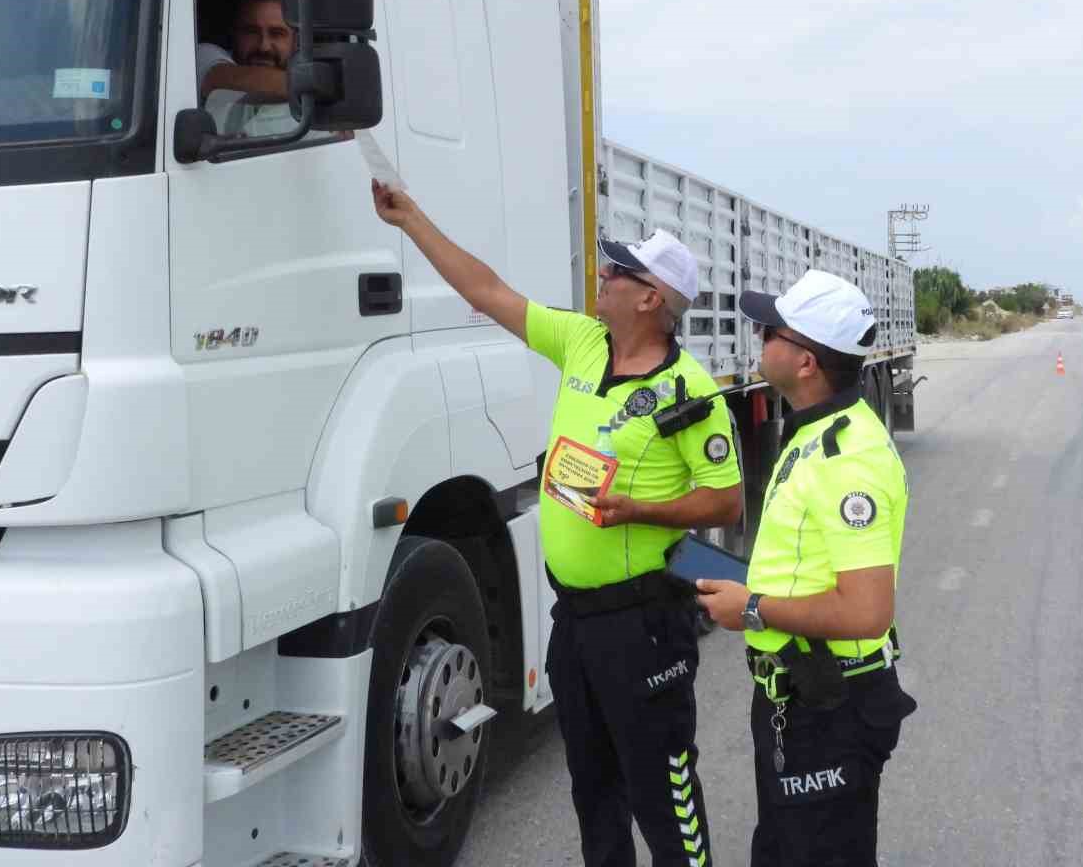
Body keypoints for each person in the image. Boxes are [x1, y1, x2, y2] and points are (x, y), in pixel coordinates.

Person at [370, 179, 743, 867]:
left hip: (643, 624)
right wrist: (413, 219)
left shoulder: (690, 392)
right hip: (574, 620)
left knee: (664, 794)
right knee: (593, 791)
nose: (601, 276)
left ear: (652, 298)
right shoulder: (582, 343)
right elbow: (487, 292)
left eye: (618, 272)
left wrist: (640, 510)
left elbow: (726, 503)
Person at [696, 269, 917, 867]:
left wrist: (751, 607)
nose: (759, 338)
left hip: (831, 706)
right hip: (798, 696)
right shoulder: (815, 430)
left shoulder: (849, 461)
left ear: (806, 362)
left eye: (771, 330)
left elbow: (868, 611)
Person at [196, 0, 298, 137]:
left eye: (277, 33)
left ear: (296, 42)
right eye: (251, 32)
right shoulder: (204, 55)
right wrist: (322, 86)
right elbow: (235, 79)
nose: (264, 46)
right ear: (234, 34)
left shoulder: (310, 105)